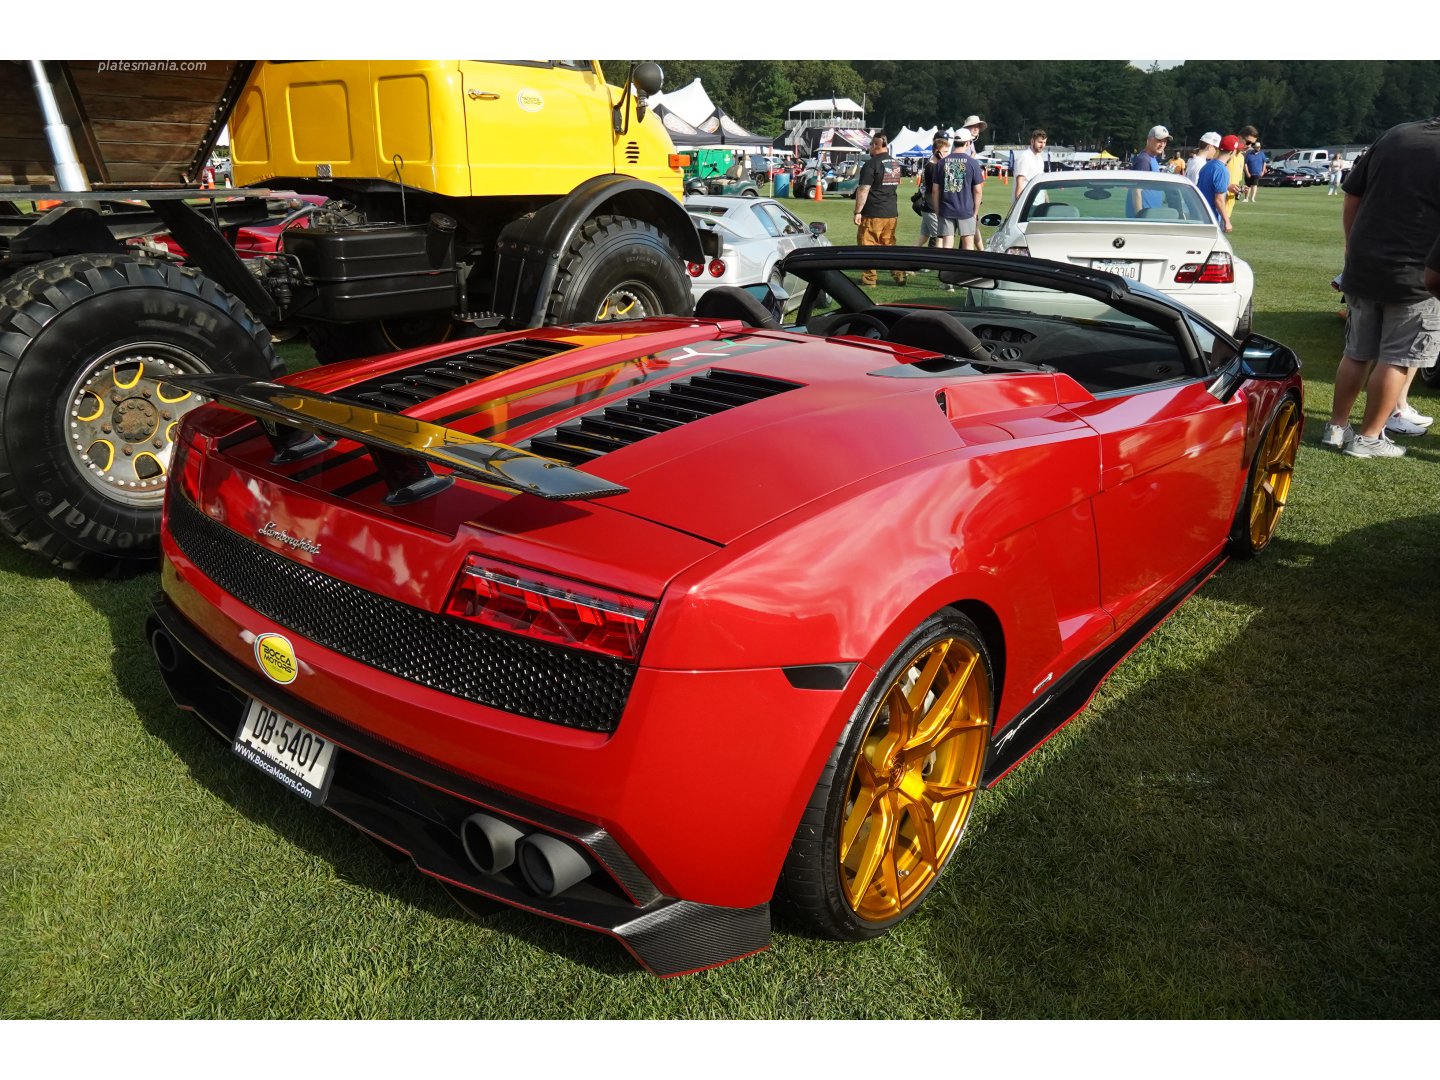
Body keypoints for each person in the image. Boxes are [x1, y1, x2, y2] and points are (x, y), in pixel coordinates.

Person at [1321, 116, 1440, 458]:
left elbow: (1352, 195)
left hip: (1364, 263)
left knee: (1357, 352)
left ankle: (1337, 426)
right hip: (1417, 272)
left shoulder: (1397, 134)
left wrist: (1351, 246)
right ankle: (1370, 436)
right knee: (1398, 359)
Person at [853, 133, 908, 287]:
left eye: (871, 145)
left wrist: (858, 211)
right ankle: (899, 274)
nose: (869, 148)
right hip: (891, 211)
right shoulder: (894, 163)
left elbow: (863, 189)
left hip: (873, 211)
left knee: (867, 245)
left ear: (875, 146)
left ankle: (869, 279)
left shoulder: (871, 164)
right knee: (889, 245)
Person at [933, 128, 985, 251]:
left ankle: (945, 270)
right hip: (966, 211)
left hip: (946, 210)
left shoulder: (941, 163)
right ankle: (966, 270)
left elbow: (935, 190)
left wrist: (937, 210)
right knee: (968, 245)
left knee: (947, 246)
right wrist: (975, 212)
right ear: (968, 143)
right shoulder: (973, 163)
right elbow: (978, 190)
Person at [917, 134, 951, 251]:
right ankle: (937, 263)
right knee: (940, 237)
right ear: (937, 152)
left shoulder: (930, 165)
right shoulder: (934, 167)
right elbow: (943, 185)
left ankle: (906, 259)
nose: (947, 154)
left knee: (923, 237)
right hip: (932, 207)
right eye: (945, 151)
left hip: (927, 206)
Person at [1197, 136, 1235, 232]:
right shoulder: (1222, 170)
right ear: (1232, 152)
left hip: (1199, 214)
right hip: (1211, 218)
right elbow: (1219, 200)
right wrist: (1227, 221)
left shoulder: (1207, 165)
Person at [1128, 124, 1170, 213]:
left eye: (1165, 141)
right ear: (1149, 140)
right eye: (1159, 140)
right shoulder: (1144, 160)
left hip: (1150, 217)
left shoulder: (1151, 158)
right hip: (1143, 220)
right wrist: (1139, 216)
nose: (1162, 144)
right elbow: (1136, 191)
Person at [1012, 129, 1047, 201]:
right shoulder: (1024, 157)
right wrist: (1019, 205)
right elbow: (1020, 181)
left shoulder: (1040, 158)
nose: (1042, 145)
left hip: (1039, 203)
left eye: (1044, 142)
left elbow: (1041, 182)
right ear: (1032, 141)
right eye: (1040, 142)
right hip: (1027, 203)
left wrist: (1046, 201)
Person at [1242, 136, 1266, 202]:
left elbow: (1264, 163)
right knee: (1247, 185)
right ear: (1254, 147)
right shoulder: (1249, 154)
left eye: (1259, 147)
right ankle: (1246, 198)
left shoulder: (1262, 154)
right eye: (1257, 147)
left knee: (1254, 185)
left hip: (1257, 172)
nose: (1258, 148)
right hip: (1249, 172)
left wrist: (1263, 171)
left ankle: (1252, 198)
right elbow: (1245, 163)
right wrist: (1247, 172)